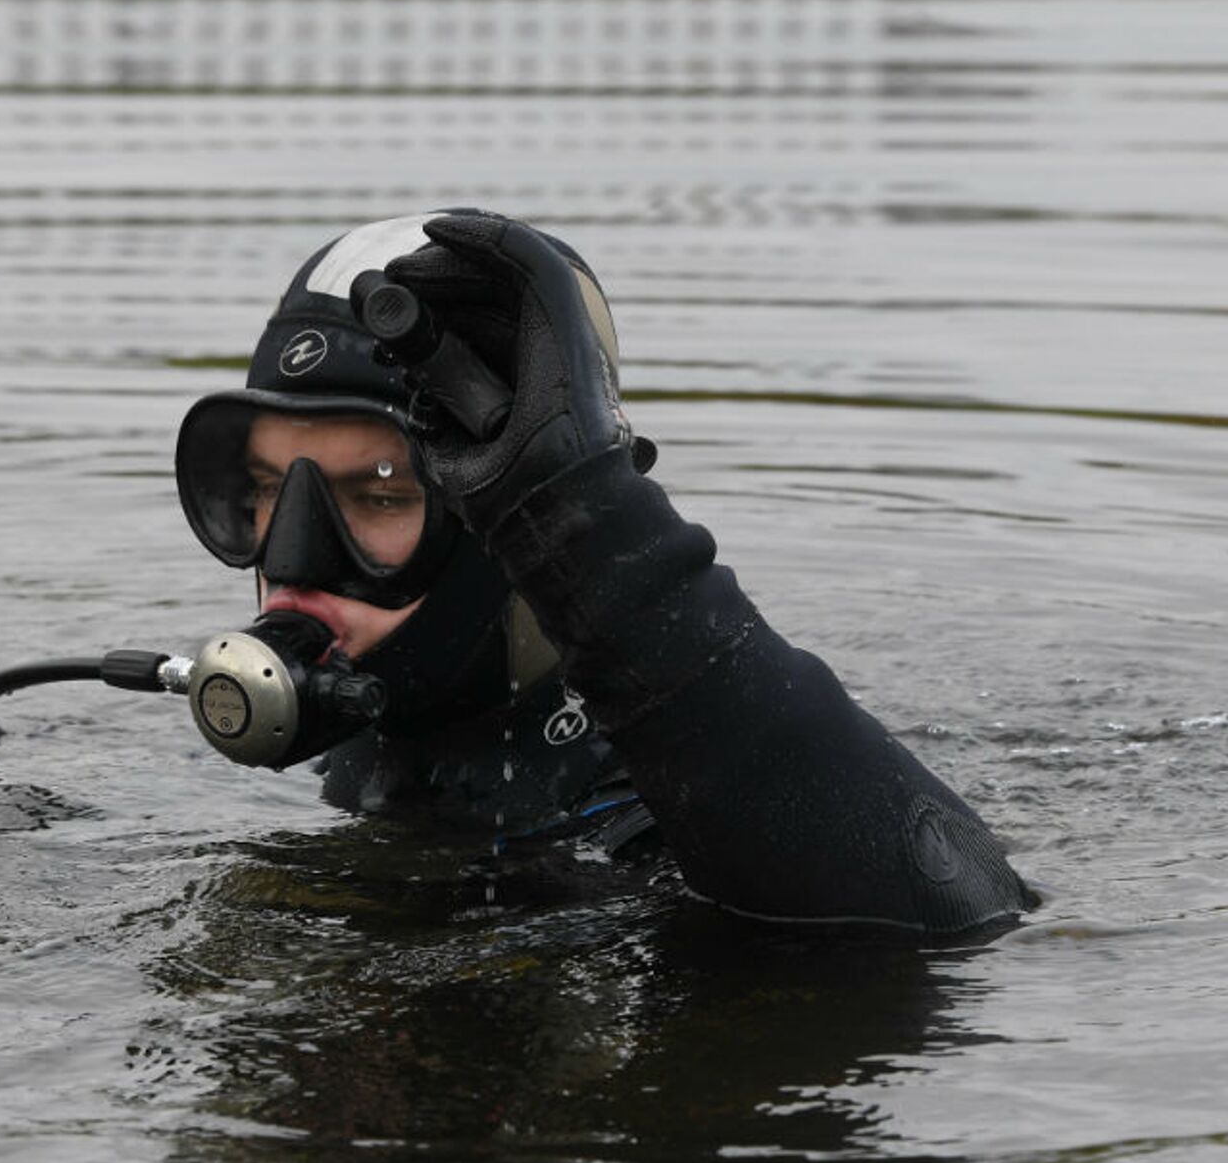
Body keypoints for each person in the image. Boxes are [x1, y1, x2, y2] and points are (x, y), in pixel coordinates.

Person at [175, 209, 1035, 937]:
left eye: (382, 494)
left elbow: (965, 908)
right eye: (261, 491)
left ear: (522, 517)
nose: (290, 563)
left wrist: (587, 520)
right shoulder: (353, 755)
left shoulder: (661, 810)